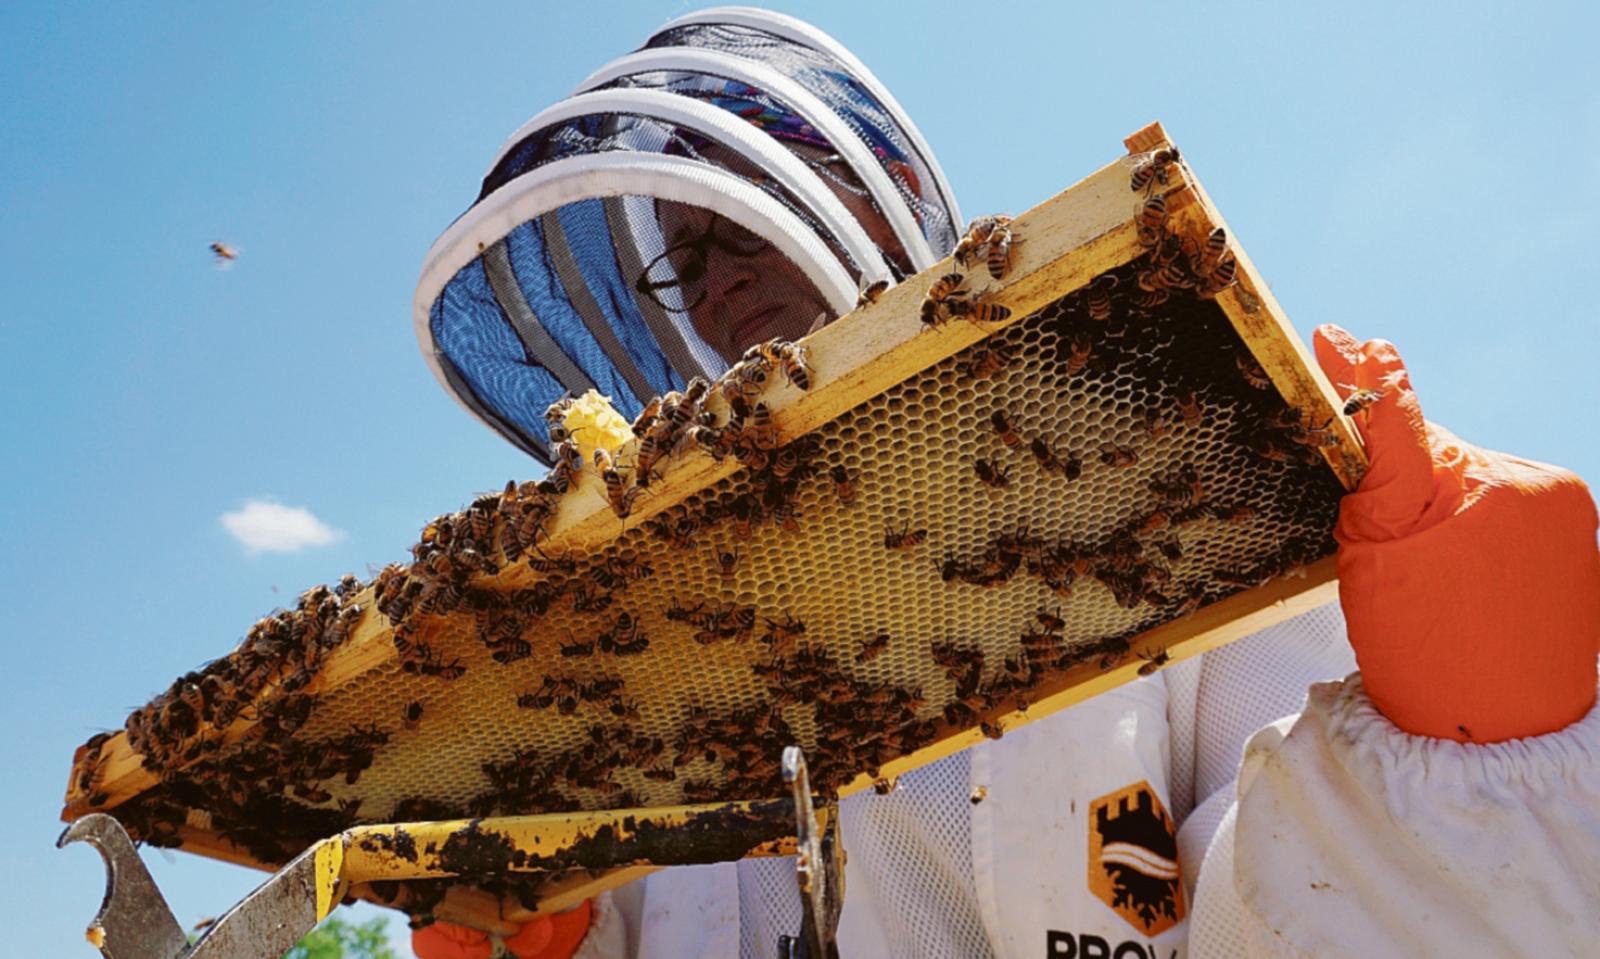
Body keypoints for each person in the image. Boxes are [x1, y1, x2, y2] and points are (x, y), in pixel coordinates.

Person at [412, 9, 1600, 959]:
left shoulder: (1161, 480)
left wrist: (1464, 756)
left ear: (879, 185)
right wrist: (536, 933)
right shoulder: (656, 651)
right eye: (686, 262)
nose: (721, 283)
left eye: (741, 221)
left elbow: (1306, 902)